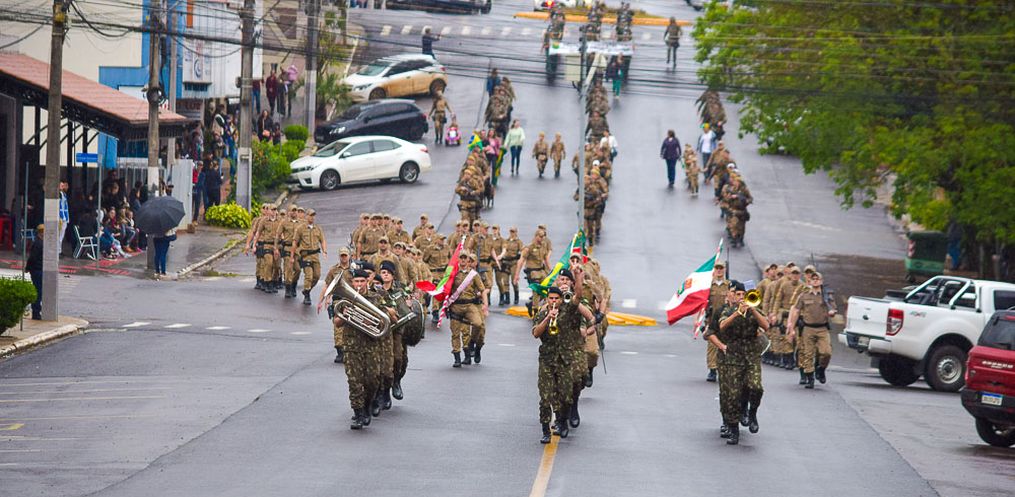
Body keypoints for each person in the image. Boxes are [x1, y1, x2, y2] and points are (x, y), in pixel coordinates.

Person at [706, 280, 769, 445]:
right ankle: (732, 428)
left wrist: (752, 309)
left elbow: (766, 326)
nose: (741, 297)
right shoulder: (727, 310)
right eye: (738, 294)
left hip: (751, 356)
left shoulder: (754, 310)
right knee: (731, 395)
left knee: (756, 387)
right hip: (732, 357)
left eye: (744, 294)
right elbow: (720, 327)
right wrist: (737, 313)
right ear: (732, 295)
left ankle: (752, 412)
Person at [335, 268, 387, 430]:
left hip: (371, 346)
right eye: (356, 281)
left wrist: (372, 321)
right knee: (354, 382)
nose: (359, 284)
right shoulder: (346, 299)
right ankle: (358, 414)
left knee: (372, 381)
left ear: (367, 282)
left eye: (362, 281)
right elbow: (337, 322)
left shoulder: (376, 298)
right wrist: (345, 314)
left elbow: (385, 321)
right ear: (352, 283)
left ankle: (367, 406)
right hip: (351, 346)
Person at [787, 271, 836, 388]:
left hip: (822, 328)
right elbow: (796, 311)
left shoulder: (827, 296)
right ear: (810, 281)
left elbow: (833, 309)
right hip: (808, 328)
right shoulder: (804, 295)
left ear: (821, 281)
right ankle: (809, 377)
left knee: (826, 352)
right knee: (808, 354)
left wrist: (832, 312)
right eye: (813, 279)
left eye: (817, 279)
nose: (815, 281)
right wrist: (791, 327)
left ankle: (821, 369)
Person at [447, 252, 487, 367]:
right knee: (455, 333)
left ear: (468, 260)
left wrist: (485, 305)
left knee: (478, 324)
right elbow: (446, 288)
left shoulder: (473, 275)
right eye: (461, 258)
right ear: (458, 259)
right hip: (456, 306)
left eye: (465, 258)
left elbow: (482, 290)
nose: (463, 260)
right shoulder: (453, 273)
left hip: (470, 305)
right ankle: (457, 357)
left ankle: (472, 343)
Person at [703, 261, 729, 382]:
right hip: (712, 319)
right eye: (717, 268)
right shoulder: (708, 286)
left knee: (725, 343)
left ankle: (725, 369)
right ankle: (712, 370)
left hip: (726, 319)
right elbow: (702, 303)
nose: (719, 270)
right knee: (712, 345)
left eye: (721, 268)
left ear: (724, 269)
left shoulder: (729, 285)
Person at [26, 224, 44, 320]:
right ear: (41, 233)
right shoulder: (38, 244)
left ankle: (37, 311)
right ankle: (36, 312)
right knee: (38, 292)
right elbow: (32, 258)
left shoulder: (40, 242)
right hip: (37, 270)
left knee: (39, 291)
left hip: (38, 269)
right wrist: (28, 267)